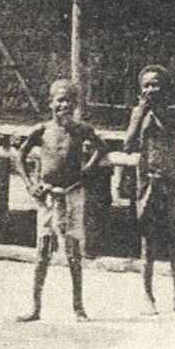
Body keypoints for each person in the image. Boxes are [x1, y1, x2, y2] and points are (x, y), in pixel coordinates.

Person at [16, 79, 104, 323]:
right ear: (50, 103)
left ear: (75, 105)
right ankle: (35, 307)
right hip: (47, 197)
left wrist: (86, 169)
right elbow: (20, 156)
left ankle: (78, 307)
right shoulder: (42, 130)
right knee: (43, 252)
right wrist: (30, 184)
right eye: (59, 100)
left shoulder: (81, 130)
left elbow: (100, 147)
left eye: (69, 101)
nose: (64, 105)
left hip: (73, 195)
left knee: (73, 253)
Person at [124, 65, 175, 314]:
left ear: (165, 87)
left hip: (171, 181)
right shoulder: (138, 113)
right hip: (147, 182)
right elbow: (128, 145)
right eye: (146, 85)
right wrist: (139, 114)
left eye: (155, 84)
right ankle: (148, 295)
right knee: (148, 241)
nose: (151, 89)